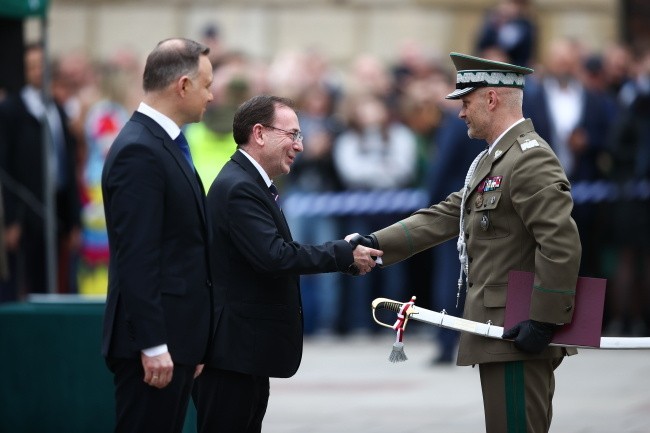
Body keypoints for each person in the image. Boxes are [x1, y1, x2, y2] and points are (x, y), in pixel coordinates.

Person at [355, 53, 581, 433]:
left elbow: (561, 243)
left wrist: (544, 320)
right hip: (501, 328)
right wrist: (376, 243)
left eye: (466, 101)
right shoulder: (492, 160)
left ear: (491, 99)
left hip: (518, 330)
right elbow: (447, 215)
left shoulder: (529, 159)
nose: (460, 113)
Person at [192, 94, 382, 433]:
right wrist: (342, 253)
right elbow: (275, 255)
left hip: (246, 353)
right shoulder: (239, 187)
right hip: (232, 355)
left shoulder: (251, 184)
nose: (300, 145)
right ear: (260, 133)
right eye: (292, 134)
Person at [101, 38, 215, 433]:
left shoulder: (162, 144)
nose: (212, 95)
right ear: (182, 86)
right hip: (152, 348)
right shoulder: (140, 150)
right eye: (206, 85)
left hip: (176, 341)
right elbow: (138, 255)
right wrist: (153, 345)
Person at [0, 42, 81, 299]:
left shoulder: (56, 108)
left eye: (41, 65)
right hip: (26, 210)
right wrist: (10, 219)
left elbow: (67, 163)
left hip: (54, 208)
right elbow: (5, 167)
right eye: (31, 66)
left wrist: (73, 220)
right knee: (24, 282)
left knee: (52, 282)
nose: (37, 71)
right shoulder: (12, 110)